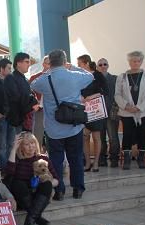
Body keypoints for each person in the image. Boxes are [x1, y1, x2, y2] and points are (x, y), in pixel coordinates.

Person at [30, 49, 94, 201]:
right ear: (65, 61)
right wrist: (73, 67)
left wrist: (47, 71)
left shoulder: (46, 79)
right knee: (76, 159)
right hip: (74, 126)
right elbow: (90, 76)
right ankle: (78, 189)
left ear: (50, 63)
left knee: (56, 161)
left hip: (53, 129)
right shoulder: (74, 75)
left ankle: (59, 191)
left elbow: (33, 84)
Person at [5, 132, 59, 225]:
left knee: (48, 184)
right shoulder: (17, 158)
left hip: (39, 196)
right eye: (27, 144)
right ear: (21, 147)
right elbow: (9, 172)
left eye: (33, 143)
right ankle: (37, 219)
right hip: (22, 196)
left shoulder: (44, 159)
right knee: (17, 183)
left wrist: (46, 181)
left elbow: (56, 180)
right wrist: (13, 149)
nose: (31, 146)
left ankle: (30, 222)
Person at [114, 50, 145, 169]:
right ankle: (127, 159)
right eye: (133, 61)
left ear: (141, 62)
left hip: (144, 111)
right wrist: (126, 106)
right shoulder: (122, 77)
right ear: (129, 62)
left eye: (138, 61)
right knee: (127, 134)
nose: (135, 63)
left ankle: (141, 158)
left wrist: (139, 107)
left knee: (142, 134)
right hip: (127, 112)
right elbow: (117, 94)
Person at [77, 54, 109, 172]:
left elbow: (105, 91)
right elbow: (76, 90)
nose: (78, 66)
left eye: (79, 64)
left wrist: (90, 97)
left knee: (96, 137)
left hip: (96, 110)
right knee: (84, 136)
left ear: (86, 63)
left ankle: (96, 162)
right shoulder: (79, 76)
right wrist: (81, 98)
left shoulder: (97, 75)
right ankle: (87, 162)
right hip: (84, 109)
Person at [4, 52, 39, 132]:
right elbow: (16, 98)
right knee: (19, 143)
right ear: (18, 63)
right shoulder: (10, 78)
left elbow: (31, 96)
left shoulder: (25, 79)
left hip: (27, 119)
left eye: (29, 62)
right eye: (26, 62)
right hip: (17, 120)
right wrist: (31, 105)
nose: (29, 64)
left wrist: (33, 101)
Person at [96, 58, 120, 167]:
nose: (103, 66)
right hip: (98, 113)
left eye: (105, 64)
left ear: (108, 65)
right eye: (100, 64)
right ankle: (102, 158)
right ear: (97, 67)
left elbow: (119, 95)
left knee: (113, 137)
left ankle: (114, 158)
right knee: (100, 138)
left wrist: (115, 108)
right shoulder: (93, 80)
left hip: (111, 111)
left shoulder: (115, 79)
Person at [29, 56, 51, 149]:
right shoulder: (35, 77)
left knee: (53, 135)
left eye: (51, 63)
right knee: (38, 134)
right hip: (39, 111)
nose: (50, 65)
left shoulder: (57, 78)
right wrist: (35, 102)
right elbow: (28, 93)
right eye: (48, 63)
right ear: (43, 64)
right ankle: (36, 155)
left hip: (52, 110)